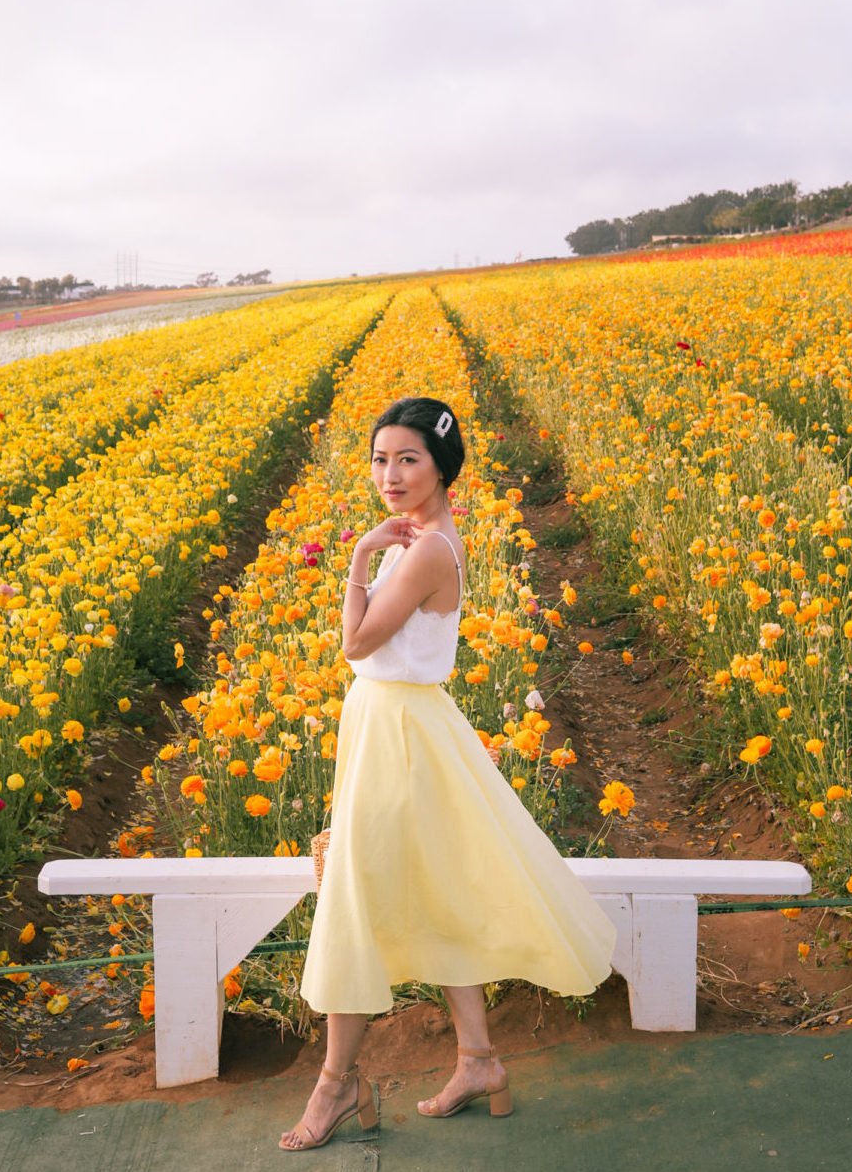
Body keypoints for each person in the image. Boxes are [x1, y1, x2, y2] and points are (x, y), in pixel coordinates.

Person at [278, 396, 617, 1152]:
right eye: (379, 458)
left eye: (407, 460)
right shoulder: (423, 539)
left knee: (355, 900)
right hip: (397, 727)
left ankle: (336, 1084)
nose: (389, 475)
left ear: (440, 468)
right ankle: (479, 1061)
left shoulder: (424, 549)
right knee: (436, 895)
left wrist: (360, 556)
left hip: (398, 732)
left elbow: (358, 645)